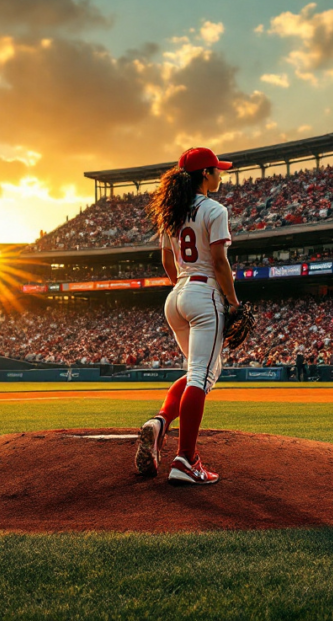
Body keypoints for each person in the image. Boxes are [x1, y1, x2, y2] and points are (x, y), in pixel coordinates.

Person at [135, 146, 236, 485]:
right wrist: (233, 303)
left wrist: (183, 287)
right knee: (200, 376)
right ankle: (185, 460)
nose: (220, 174)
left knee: (203, 371)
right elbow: (220, 262)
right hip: (204, 292)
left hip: (176, 296)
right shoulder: (214, 209)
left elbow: (167, 262)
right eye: (216, 170)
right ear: (205, 175)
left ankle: (161, 421)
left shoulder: (172, 211)